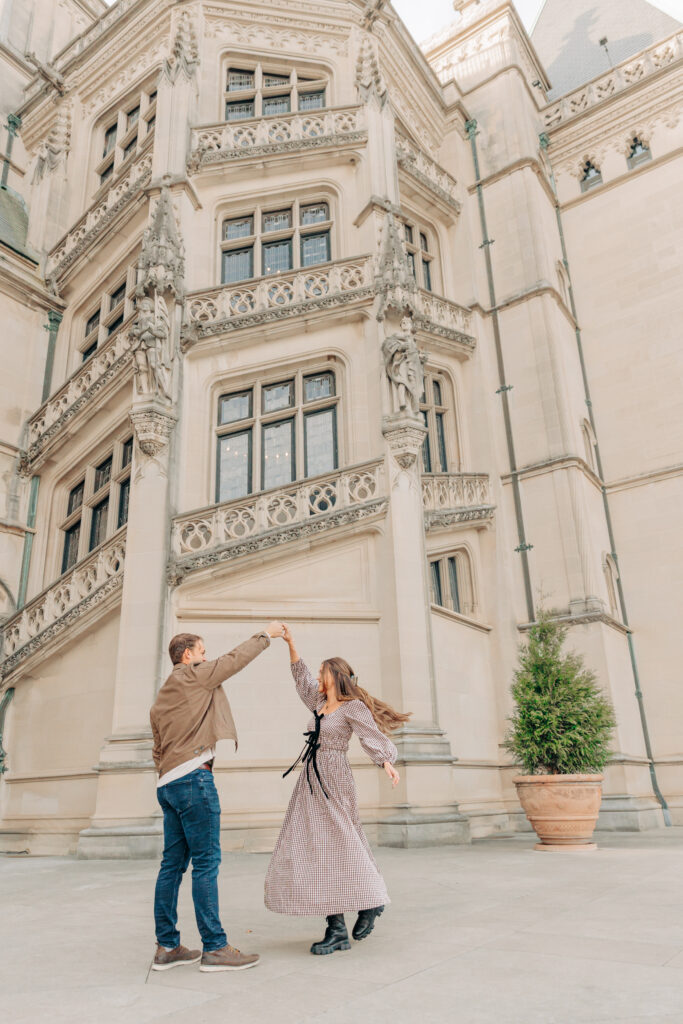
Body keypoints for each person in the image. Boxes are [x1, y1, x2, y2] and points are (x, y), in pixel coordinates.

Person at [264, 624, 410, 955]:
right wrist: (290, 642)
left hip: (335, 778)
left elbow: (369, 734)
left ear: (334, 675)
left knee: (342, 844)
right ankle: (341, 924)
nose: (317, 676)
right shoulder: (318, 702)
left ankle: (365, 905)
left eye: (321, 672)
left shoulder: (351, 707)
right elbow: (300, 679)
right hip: (311, 780)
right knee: (315, 847)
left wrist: (385, 761)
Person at [150, 623, 284, 972]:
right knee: (206, 864)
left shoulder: (161, 698)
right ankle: (215, 948)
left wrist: (168, 774)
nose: (206, 658)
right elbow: (233, 660)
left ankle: (167, 947)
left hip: (168, 784)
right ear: (187, 655)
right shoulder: (193, 674)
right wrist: (266, 635)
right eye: (202, 652)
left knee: (171, 866)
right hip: (195, 779)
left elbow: (157, 748)